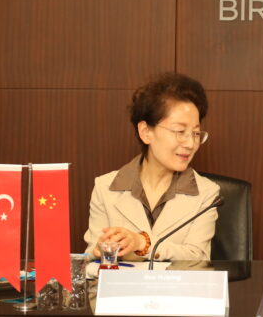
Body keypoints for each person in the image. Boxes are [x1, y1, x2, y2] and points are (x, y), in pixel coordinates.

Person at [85, 73, 219, 262]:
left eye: (196, 133)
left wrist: (143, 243)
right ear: (146, 132)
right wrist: (101, 250)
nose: (190, 144)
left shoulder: (207, 193)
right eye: (180, 131)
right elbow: (91, 257)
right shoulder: (105, 187)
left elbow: (199, 257)